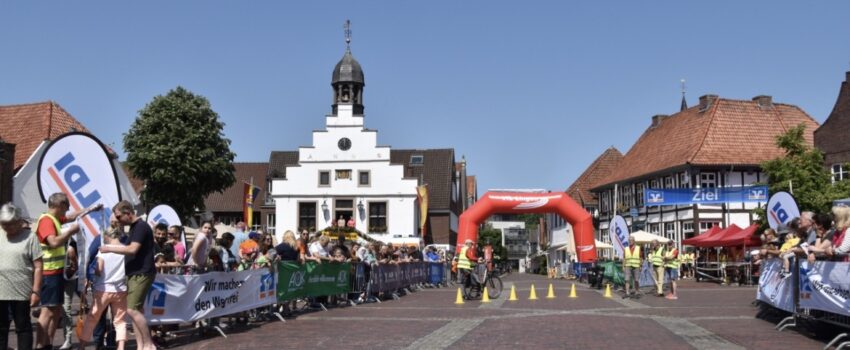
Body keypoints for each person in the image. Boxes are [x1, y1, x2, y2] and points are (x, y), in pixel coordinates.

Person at [36, 193, 101, 350]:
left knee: (56, 311)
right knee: (47, 313)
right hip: (49, 273)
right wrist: (71, 232)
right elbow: (53, 242)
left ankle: (47, 344)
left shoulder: (55, 219)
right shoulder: (46, 221)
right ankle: (39, 345)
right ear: (59, 206)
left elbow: (72, 217)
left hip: (56, 273)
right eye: (66, 208)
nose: (67, 211)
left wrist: (90, 209)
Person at [99, 200, 156, 350]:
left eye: (118, 217)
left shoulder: (140, 227)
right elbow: (127, 247)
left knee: (132, 310)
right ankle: (141, 345)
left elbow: (132, 249)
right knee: (136, 311)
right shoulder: (134, 228)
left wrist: (109, 248)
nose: (117, 220)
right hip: (135, 273)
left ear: (127, 213)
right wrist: (111, 244)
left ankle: (149, 345)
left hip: (141, 273)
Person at [0, 203, 43, 350]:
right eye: (4, 224)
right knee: (1, 328)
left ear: (19, 222)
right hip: (1, 289)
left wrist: (36, 291)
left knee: (23, 326)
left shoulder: (30, 237)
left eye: (10, 224)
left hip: (21, 290)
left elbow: (38, 266)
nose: (7, 228)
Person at [80, 227, 128, 350]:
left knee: (92, 318)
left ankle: (82, 346)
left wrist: (93, 273)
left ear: (107, 236)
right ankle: (121, 347)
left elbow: (99, 269)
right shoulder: (125, 249)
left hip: (103, 289)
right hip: (120, 289)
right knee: (120, 320)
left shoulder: (104, 250)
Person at [60, 237, 79, 350]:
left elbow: (74, 265)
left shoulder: (70, 247)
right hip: (54, 278)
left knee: (66, 309)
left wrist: (69, 272)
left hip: (67, 280)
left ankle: (68, 340)